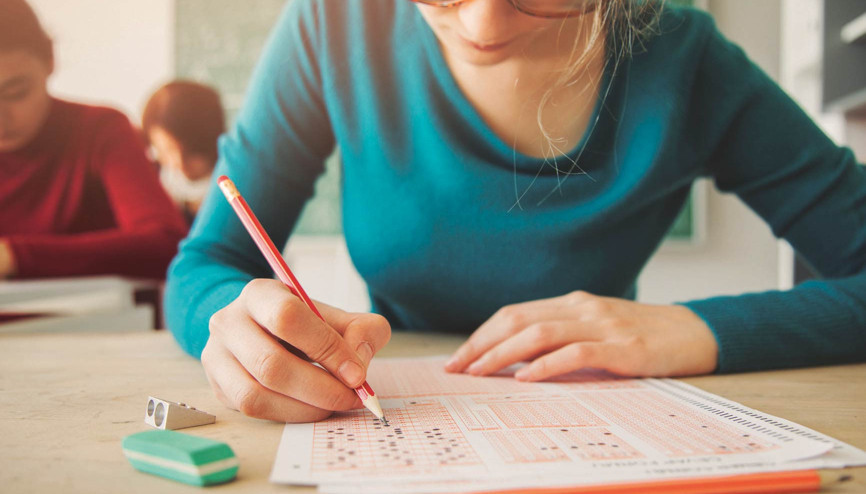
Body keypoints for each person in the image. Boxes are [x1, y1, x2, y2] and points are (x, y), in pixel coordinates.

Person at [165, 0, 866, 423]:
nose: (482, 23)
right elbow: (205, 265)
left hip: (609, 432)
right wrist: (229, 323)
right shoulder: (336, 23)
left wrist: (697, 331)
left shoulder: (685, 59)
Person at [0, 0, 188, 280]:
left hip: (92, 321)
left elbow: (166, 242)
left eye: (16, 92)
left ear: (50, 59)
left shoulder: (99, 130)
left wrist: (15, 256)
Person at [142, 81, 225, 223]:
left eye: (190, 153)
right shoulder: (152, 177)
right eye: (166, 150)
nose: (178, 163)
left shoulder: (238, 180)